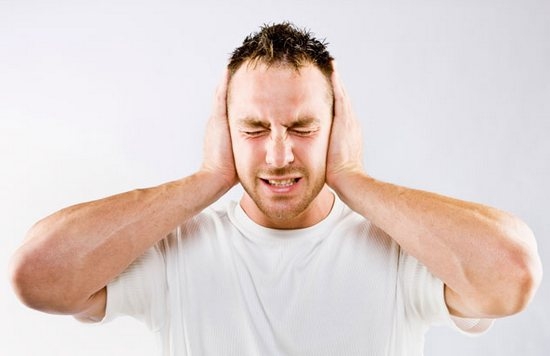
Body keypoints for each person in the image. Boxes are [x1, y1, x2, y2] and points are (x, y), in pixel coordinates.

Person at [9, 22, 542, 355]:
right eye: (255, 129)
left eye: (304, 128)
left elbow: (512, 274)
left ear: (337, 129)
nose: (280, 154)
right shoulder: (175, 250)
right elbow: (37, 276)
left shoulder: (402, 251)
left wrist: (352, 177)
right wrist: (206, 179)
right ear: (225, 131)